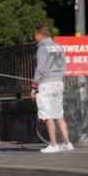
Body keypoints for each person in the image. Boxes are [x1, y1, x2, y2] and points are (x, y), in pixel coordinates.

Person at [32, 25, 72, 154]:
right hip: (58, 82)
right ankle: (67, 143)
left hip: (46, 84)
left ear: (40, 34)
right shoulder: (59, 46)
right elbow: (64, 66)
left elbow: (40, 69)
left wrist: (34, 86)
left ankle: (54, 145)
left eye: (35, 35)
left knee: (48, 115)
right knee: (59, 114)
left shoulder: (42, 48)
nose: (34, 37)